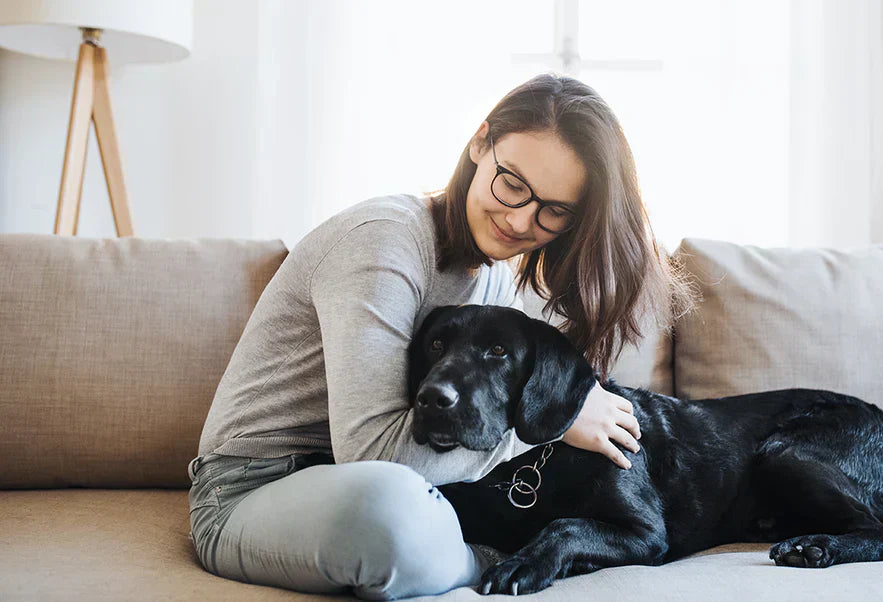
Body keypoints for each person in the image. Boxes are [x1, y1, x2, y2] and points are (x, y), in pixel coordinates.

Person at [187, 73, 696, 599]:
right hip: (252, 489)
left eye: (553, 211)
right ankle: (477, 562)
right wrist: (556, 426)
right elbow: (371, 455)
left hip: (384, 483)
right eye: (512, 184)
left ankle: (465, 552)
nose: (520, 220)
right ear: (480, 143)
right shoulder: (384, 241)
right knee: (388, 512)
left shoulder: (495, 279)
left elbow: (479, 432)